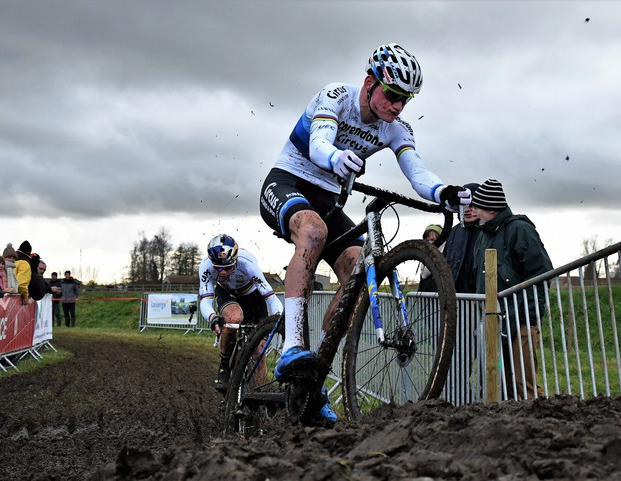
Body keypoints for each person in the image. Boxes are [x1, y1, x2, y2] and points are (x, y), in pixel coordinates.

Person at [258, 43, 472, 424]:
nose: (397, 107)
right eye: (392, 95)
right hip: (289, 181)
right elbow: (320, 141)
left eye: (405, 100)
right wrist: (335, 157)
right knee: (313, 231)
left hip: (327, 201)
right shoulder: (335, 97)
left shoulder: (395, 128)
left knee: (358, 267)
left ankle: (314, 374)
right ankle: (292, 345)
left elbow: (416, 171)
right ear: (370, 82)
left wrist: (444, 193)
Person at [471, 179, 553, 401]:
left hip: (520, 321)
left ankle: (536, 427)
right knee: (497, 385)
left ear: (490, 208)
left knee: (522, 386)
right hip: (491, 323)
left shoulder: (520, 230)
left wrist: (529, 318)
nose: (473, 211)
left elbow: (541, 273)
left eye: (477, 206)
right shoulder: (483, 236)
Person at [198, 234, 283, 394]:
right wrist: (213, 317)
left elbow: (271, 298)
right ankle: (224, 367)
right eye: (218, 268)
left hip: (253, 297)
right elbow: (205, 300)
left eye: (227, 268)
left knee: (259, 350)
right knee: (233, 319)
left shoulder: (248, 264)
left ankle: (259, 393)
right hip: (227, 294)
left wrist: (279, 318)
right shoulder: (205, 267)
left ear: (236, 260)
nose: (222, 273)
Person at [444, 182, 482, 294]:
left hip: (483, 303)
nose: (467, 209)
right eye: (463, 206)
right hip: (457, 303)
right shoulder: (453, 232)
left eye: (472, 205)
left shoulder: (490, 231)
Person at [418, 224, 444, 291]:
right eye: (427, 240)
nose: (429, 243)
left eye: (432, 240)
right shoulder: (425, 255)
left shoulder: (442, 255)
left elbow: (425, 274)